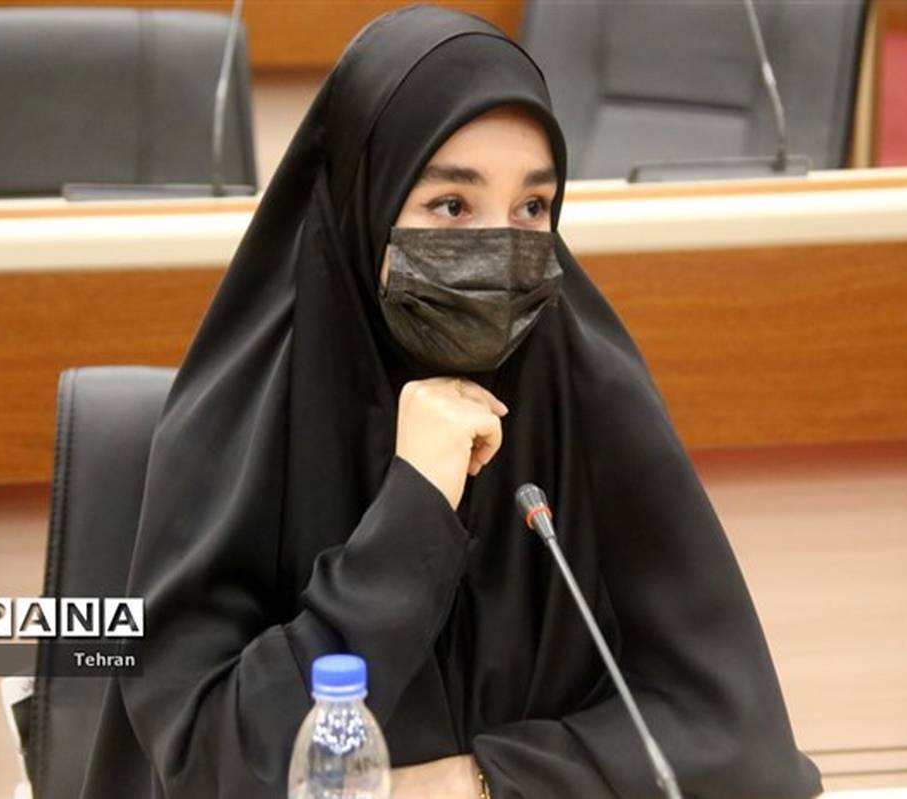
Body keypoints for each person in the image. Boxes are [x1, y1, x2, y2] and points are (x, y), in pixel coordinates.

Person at [79, 6, 822, 798]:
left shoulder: (586, 393)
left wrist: (479, 781)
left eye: (532, 208)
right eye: (452, 207)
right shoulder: (242, 423)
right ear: (366, 200)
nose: (500, 249)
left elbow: (741, 739)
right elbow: (208, 764)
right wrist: (412, 516)